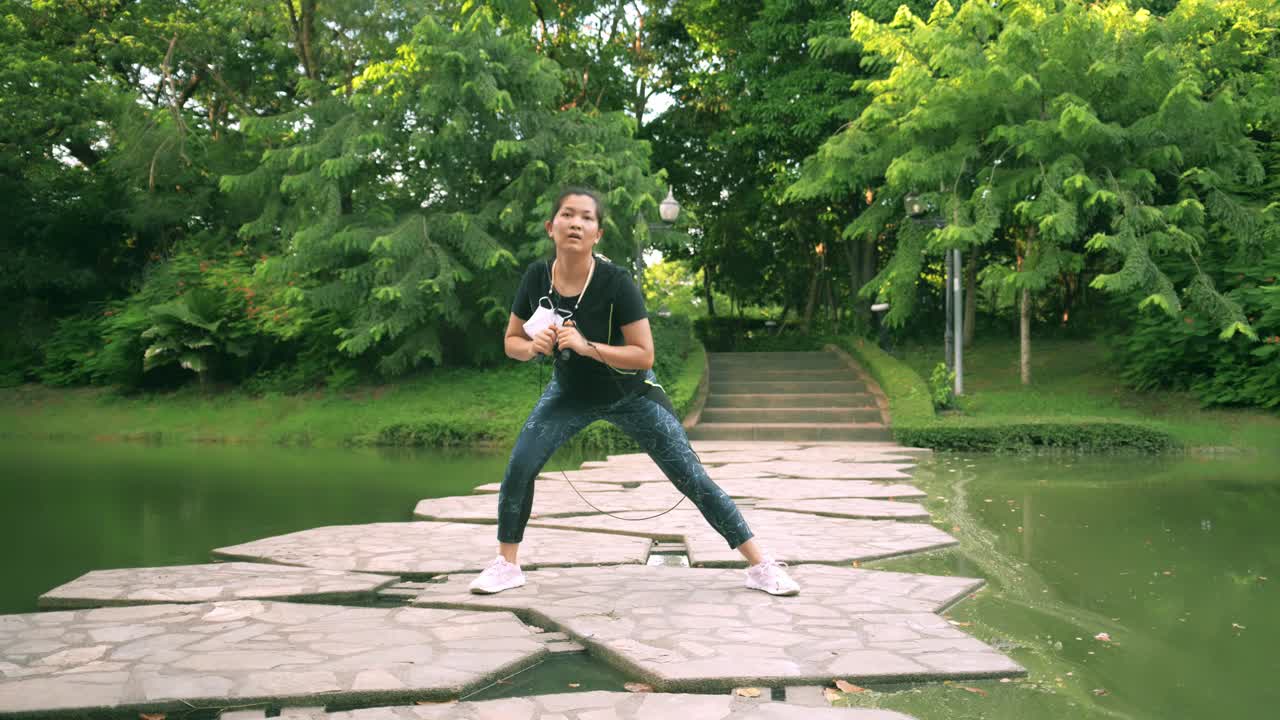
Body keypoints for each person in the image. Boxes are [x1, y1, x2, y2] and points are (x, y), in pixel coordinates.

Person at [468, 186, 799, 597]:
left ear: (598, 234)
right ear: (551, 227)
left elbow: (643, 355)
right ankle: (506, 565)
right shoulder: (537, 276)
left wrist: (586, 347)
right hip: (569, 394)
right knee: (520, 465)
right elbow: (511, 342)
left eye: (587, 217)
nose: (577, 223)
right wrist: (533, 347)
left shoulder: (615, 282)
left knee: (691, 477)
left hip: (632, 393)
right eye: (568, 215)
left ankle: (761, 565)